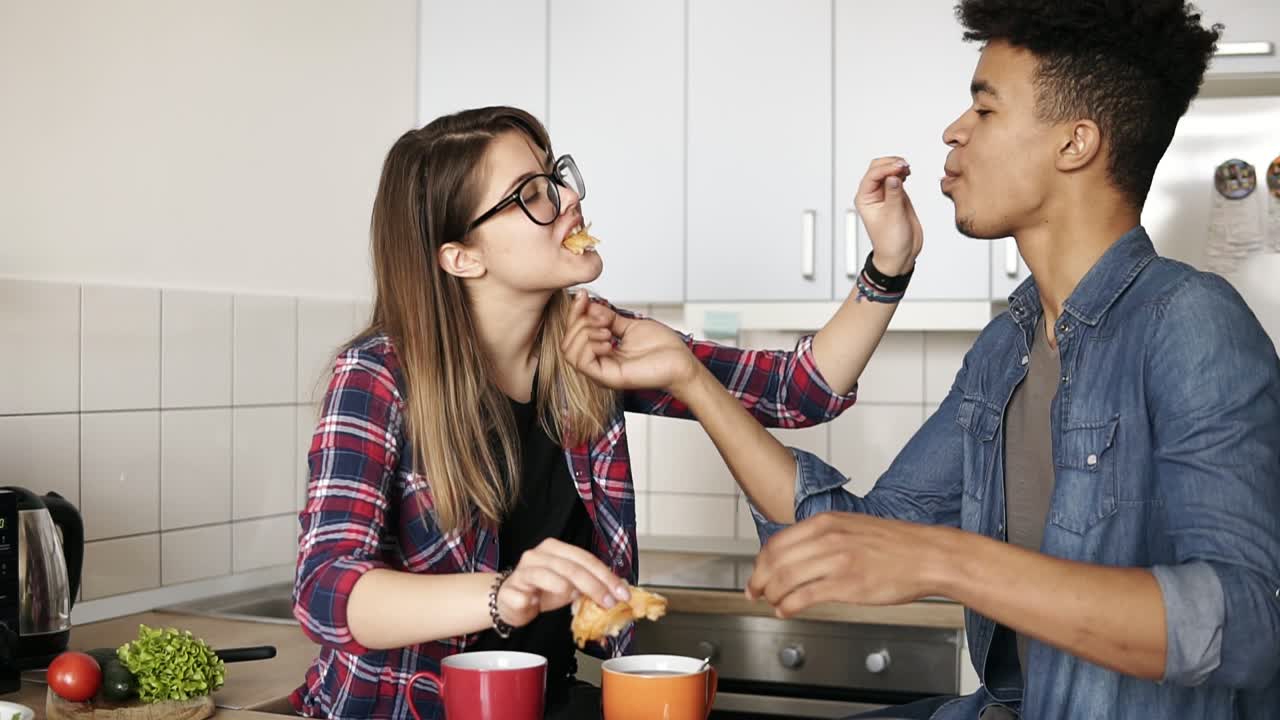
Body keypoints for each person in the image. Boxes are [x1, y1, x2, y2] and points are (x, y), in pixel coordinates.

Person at [563, 1, 1280, 718]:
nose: (953, 130)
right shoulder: (1008, 349)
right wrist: (691, 379)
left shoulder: (1189, 323)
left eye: (986, 109)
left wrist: (944, 561)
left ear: (1075, 143)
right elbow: (855, 535)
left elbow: (1249, 623)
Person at [288, 105, 924, 719]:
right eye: (532, 193)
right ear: (462, 256)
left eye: (556, 176)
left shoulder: (590, 345)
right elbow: (326, 592)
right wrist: (502, 594)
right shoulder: (380, 375)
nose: (569, 199)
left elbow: (798, 390)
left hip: (553, 699)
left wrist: (890, 265)